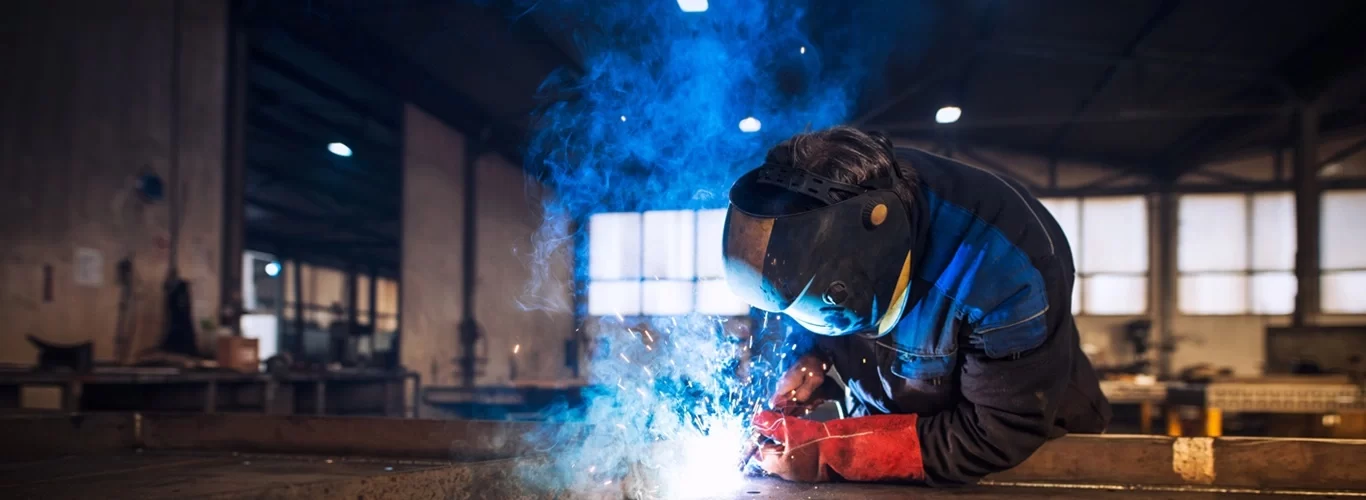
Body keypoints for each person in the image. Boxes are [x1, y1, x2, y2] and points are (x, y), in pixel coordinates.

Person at [722, 126, 1111, 486]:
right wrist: (810, 356)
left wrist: (831, 451)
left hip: (1020, 458)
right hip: (886, 442)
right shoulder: (823, 207)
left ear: (876, 251)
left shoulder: (1004, 267)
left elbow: (998, 432)